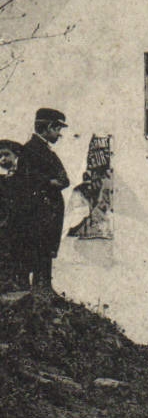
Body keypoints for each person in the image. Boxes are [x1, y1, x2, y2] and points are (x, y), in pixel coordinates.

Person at [13, 108, 70, 297]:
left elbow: (64, 179)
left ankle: (43, 288)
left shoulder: (43, 150)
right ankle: (40, 290)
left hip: (46, 212)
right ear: (48, 127)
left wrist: (54, 181)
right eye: (57, 129)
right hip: (37, 213)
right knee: (39, 250)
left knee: (44, 250)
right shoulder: (31, 150)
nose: (59, 134)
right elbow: (26, 180)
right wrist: (49, 182)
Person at [0, 139, 24, 292]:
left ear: (16, 155)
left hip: (18, 222)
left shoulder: (23, 177)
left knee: (17, 251)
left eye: (6, 155)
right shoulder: (2, 178)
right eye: (0, 156)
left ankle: (16, 282)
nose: (2, 159)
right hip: (4, 222)